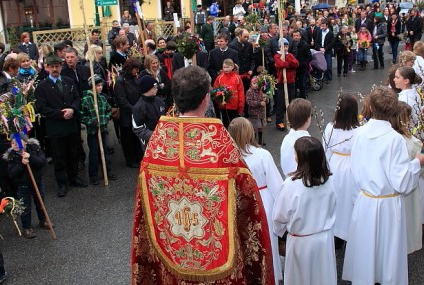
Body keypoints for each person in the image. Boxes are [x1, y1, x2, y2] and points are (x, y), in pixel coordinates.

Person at [131, 66, 274, 284]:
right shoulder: (222, 148)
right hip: (219, 266)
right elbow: (248, 210)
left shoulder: (156, 147)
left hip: (171, 257)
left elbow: (144, 212)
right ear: (206, 99)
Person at [343, 86, 424, 285]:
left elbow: (354, 169)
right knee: (387, 250)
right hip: (388, 204)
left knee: (366, 248)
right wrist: (416, 163)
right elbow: (402, 181)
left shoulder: (359, 133)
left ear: (370, 107)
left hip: (366, 200)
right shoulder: (395, 140)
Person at [273, 136, 337, 285]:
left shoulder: (290, 185)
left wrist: (281, 233)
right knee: (323, 277)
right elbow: (333, 206)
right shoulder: (329, 180)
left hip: (301, 244)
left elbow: (279, 216)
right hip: (324, 240)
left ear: (299, 158)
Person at [228, 117, 283, 284]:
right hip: (263, 201)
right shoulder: (262, 155)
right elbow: (277, 186)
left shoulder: (229, 158)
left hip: (239, 205)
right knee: (267, 242)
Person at [34, 53, 88, 198]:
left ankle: (74, 177)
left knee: (73, 153)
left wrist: (73, 110)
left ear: (61, 66)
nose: (54, 69)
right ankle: (62, 183)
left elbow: (77, 98)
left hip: (71, 124)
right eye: (51, 66)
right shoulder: (42, 87)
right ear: (46, 68)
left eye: (57, 66)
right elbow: (41, 108)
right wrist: (60, 114)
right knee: (59, 156)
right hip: (56, 127)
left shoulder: (68, 81)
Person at [322, 92, 360, 242]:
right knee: (350, 200)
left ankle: (336, 234)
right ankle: (351, 232)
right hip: (352, 167)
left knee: (336, 200)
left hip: (335, 166)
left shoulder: (330, 127)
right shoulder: (359, 130)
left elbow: (326, 149)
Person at [390, 102, 424, 253]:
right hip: (407, 190)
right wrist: (420, 161)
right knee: (408, 220)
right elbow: (420, 170)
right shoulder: (413, 143)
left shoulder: (388, 138)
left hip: (388, 192)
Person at [4, 137, 48, 239]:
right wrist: (21, 164)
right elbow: (12, 173)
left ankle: (44, 220)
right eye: (13, 143)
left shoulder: (34, 149)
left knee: (40, 202)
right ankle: (27, 227)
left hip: (37, 182)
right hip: (23, 184)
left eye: (18, 142)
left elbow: (42, 162)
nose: (15, 145)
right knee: (25, 207)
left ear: (25, 142)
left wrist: (31, 157)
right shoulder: (12, 156)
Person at [80, 74, 117, 185]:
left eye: (101, 85)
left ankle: (107, 171)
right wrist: (91, 121)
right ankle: (93, 175)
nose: (100, 88)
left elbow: (108, 111)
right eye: (97, 85)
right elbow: (81, 115)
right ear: (92, 86)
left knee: (104, 152)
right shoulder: (86, 99)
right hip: (93, 132)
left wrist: (105, 119)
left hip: (103, 130)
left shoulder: (102, 98)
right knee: (94, 153)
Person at [113, 58, 143, 168]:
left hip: (135, 112)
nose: (137, 71)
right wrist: (133, 109)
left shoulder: (135, 78)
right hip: (126, 115)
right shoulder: (121, 81)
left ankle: (139, 156)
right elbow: (121, 100)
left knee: (136, 137)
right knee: (127, 138)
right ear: (129, 68)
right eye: (135, 69)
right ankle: (130, 159)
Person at [131, 75, 166, 154]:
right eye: (155, 86)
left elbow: (165, 116)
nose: (157, 88)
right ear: (148, 88)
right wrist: (155, 135)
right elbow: (138, 128)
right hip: (149, 143)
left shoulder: (159, 100)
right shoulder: (139, 107)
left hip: (163, 139)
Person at [279, 98, 311, 175]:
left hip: (288, 179)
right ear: (308, 119)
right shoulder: (308, 142)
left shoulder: (286, 138)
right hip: (303, 182)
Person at [274, 39, 299, 130]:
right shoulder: (277, 56)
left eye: (286, 46)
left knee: (291, 101)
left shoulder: (290, 55)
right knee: (280, 102)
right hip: (281, 82)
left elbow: (296, 64)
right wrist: (288, 64)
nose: (285, 48)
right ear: (279, 47)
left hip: (291, 81)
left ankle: (291, 120)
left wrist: (287, 59)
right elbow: (280, 64)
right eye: (283, 46)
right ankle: (279, 121)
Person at [212, 59, 244, 128]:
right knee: (225, 124)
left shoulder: (237, 78)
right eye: (224, 67)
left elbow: (241, 92)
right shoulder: (220, 78)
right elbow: (215, 90)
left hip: (234, 106)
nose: (225, 69)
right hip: (224, 106)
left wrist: (241, 106)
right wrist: (219, 100)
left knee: (235, 125)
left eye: (227, 67)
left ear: (232, 67)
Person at [246, 76, 267, 145]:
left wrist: (265, 99)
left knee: (261, 127)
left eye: (257, 83)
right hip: (254, 113)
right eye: (254, 83)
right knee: (254, 128)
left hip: (261, 112)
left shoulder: (260, 91)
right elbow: (249, 102)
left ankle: (260, 141)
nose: (255, 85)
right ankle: (254, 142)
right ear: (251, 84)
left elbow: (264, 99)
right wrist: (259, 103)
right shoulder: (249, 92)